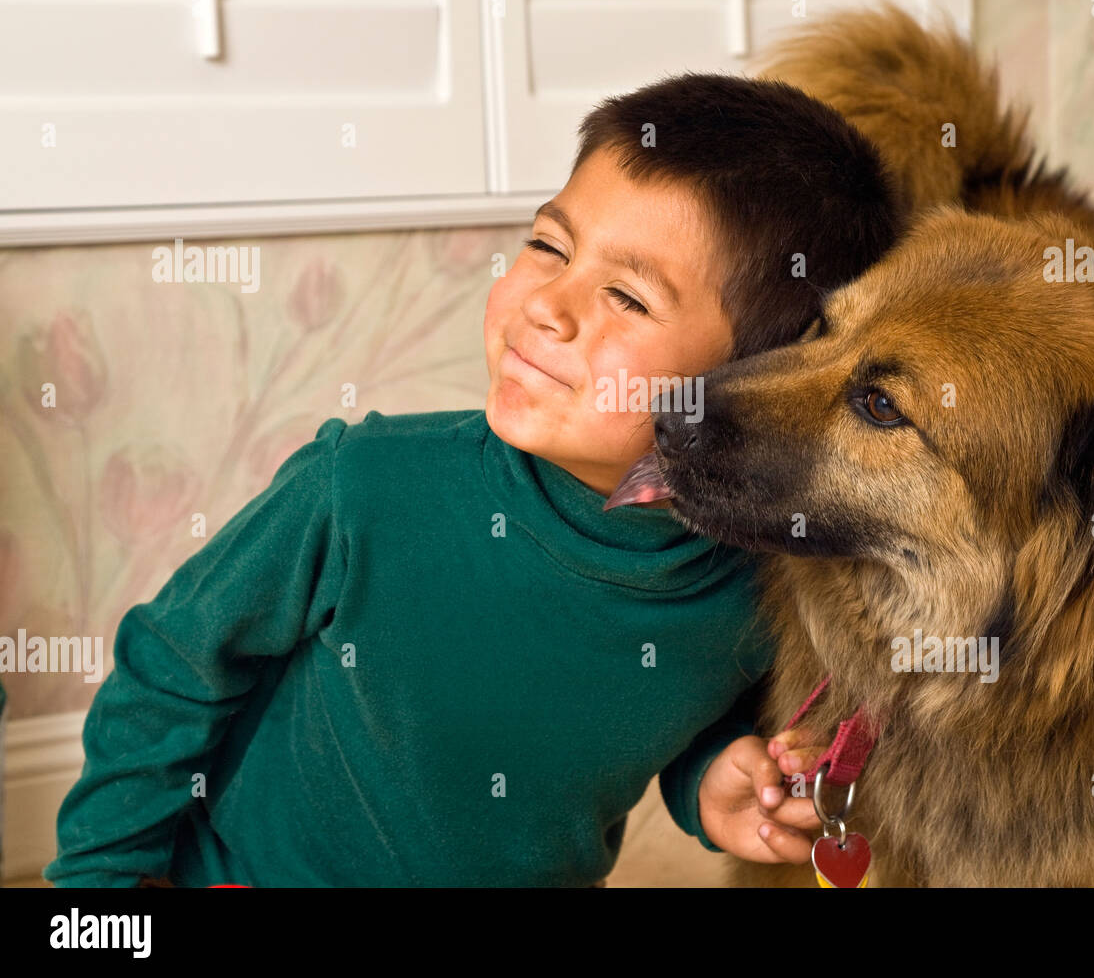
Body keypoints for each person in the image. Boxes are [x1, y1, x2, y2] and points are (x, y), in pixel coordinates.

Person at [43, 72, 903, 886]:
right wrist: (98, 887)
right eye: (548, 245)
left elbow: (663, 708)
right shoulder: (366, 487)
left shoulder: (757, 587)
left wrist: (710, 778)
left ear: (758, 383)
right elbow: (174, 658)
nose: (545, 305)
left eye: (627, 299)